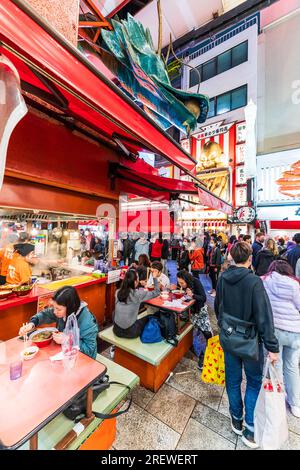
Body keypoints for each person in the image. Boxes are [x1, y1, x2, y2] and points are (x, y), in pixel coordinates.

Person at [214, 242, 279, 448]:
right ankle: (250, 428)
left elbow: (218, 307)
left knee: (232, 381)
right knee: (252, 382)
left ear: (231, 257)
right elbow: (264, 317)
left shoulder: (223, 278)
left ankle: (236, 419)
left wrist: (225, 326)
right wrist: (272, 346)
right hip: (250, 342)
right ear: (250, 259)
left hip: (229, 337)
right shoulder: (254, 282)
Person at [262, 260, 300, 417]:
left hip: (274, 330)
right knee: (291, 367)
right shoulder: (294, 285)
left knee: (275, 365)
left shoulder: (265, 281)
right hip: (294, 331)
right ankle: (295, 404)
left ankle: (276, 400)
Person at [19, 286, 98, 359]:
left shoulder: (87, 321)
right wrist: (32, 324)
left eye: (58, 309)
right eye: (54, 307)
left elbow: (89, 350)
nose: (54, 312)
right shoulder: (61, 311)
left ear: (70, 308)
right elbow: (45, 314)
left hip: (83, 360)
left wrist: (67, 340)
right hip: (65, 354)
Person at [113, 269, 160, 338]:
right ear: (135, 282)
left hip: (116, 330)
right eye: (138, 278)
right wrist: (155, 277)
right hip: (131, 332)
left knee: (115, 312)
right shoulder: (137, 294)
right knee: (149, 317)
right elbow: (157, 292)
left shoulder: (117, 292)